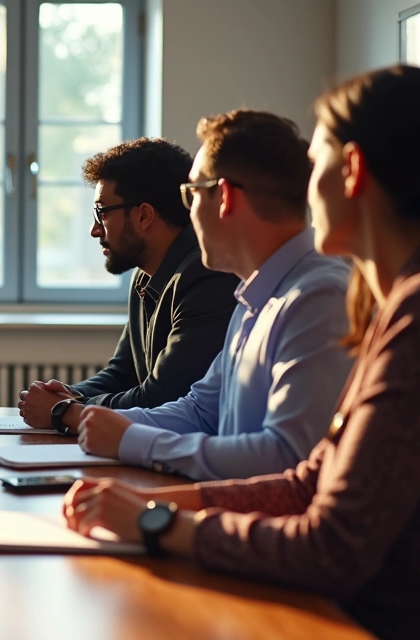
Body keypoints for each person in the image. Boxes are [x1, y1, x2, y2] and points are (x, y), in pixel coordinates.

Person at [63, 65, 420, 640]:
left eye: (314, 164)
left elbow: (332, 545)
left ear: (350, 171)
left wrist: (158, 521)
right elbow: (307, 481)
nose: (302, 186)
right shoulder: (405, 299)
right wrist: (164, 503)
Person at [71, 110, 353, 481]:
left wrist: (131, 439)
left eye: (191, 194)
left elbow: (286, 457)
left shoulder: (318, 296)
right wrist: (101, 421)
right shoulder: (256, 293)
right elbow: (200, 410)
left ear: (223, 197)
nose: (186, 211)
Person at [18, 139, 238, 432]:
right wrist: (67, 395)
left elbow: (162, 397)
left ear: (144, 215)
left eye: (102, 213)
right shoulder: (144, 276)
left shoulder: (205, 274)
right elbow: (122, 373)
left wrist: (64, 411)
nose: (95, 229)